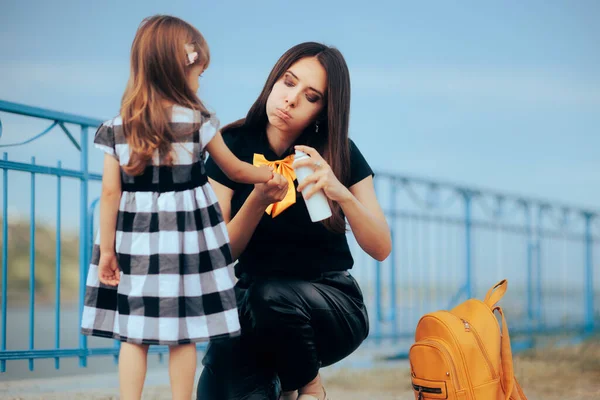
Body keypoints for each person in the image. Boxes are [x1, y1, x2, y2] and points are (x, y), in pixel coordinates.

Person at [80, 15, 273, 400]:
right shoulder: (198, 122)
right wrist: (268, 177)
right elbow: (233, 168)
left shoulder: (118, 127)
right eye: (198, 73)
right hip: (184, 241)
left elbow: (110, 194)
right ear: (177, 69)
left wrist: (107, 253)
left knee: (133, 334)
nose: (200, 82)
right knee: (183, 335)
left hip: (133, 241)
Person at [196, 42, 392, 400]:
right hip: (251, 308)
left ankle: (309, 386)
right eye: (288, 82)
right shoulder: (231, 145)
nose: (291, 99)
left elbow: (381, 247)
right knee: (219, 384)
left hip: (330, 305)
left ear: (323, 110)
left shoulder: (338, 152)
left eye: (311, 96)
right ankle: (285, 384)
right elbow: (219, 254)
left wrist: (340, 192)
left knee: (272, 296)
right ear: (273, 82)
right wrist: (256, 201)